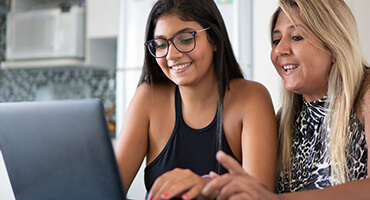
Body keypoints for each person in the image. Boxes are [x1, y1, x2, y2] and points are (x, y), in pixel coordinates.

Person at [202, 0, 370, 199]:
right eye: (276, 41)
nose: (279, 50)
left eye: (297, 37)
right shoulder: (284, 122)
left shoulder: (365, 96)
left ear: (334, 45)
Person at [114, 0, 278, 199]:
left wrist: (206, 187)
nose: (171, 55)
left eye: (185, 39)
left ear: (214, 40)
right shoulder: (148, 98)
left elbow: (261, 196)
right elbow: (107, 189)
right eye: (161, 44)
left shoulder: (251, 98)